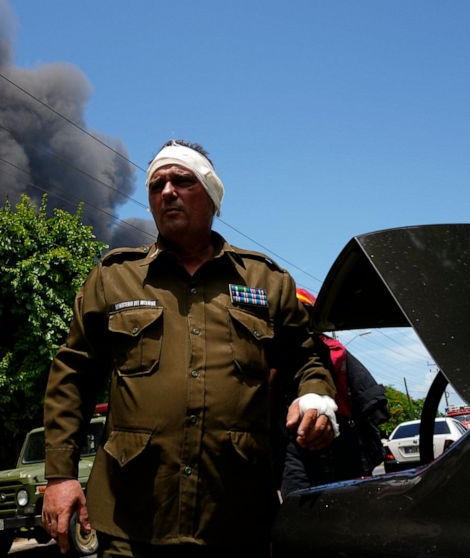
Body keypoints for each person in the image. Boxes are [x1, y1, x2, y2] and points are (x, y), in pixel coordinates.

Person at [41, 139, 339, 557]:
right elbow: (73, 375)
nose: (167, 192)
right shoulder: (114, 278)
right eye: (156, 185)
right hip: (131, 522)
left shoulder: (265, 281)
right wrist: (59, 477)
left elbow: (307, 356)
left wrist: (316, 399)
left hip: (236, 517)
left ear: (213, 197)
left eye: (182, 180)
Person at [278, 288, 390, 495]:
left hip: (324, 438)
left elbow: (369, 398)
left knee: (305, 506)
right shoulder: (329, 347)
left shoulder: (329, 349)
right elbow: (372, 402)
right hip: (331, 438)